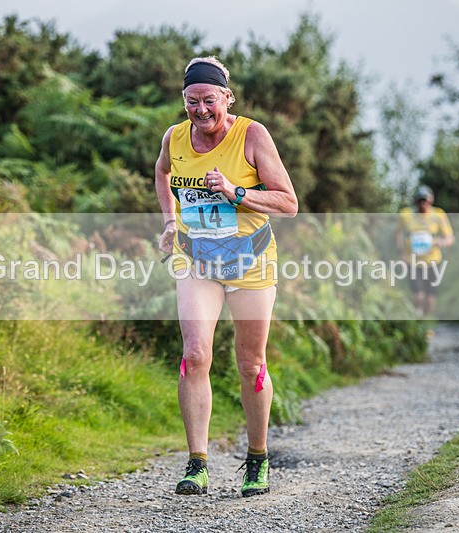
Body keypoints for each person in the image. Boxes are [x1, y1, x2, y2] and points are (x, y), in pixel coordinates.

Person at [154, 57, 298, 497]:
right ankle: (197, 462)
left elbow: (289, 203)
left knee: (251, 363)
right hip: (197, 261)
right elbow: (162, 173)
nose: (200, 110)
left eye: (209, 100)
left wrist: (235, 192)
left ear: (227, 98)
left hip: (250, 262)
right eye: (192, 101)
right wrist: (170, 221)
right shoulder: (174, 138)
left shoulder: (251, 135)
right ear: (184, 100)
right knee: (195, 356)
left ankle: (257, 458)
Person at [396, 185, 454, 318]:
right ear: (415, 201)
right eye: (420, 200)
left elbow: (450, 237)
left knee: (430, 296)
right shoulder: (406, 215)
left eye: (425, 200)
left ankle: (427, 322)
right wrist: (401, 252)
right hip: (413, 261)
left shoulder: (438, 215)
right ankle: (416, 318)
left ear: (431, 201)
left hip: (433, 261)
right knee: (418, 295)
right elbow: (398, 233)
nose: (423, 204)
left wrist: (442, 242)